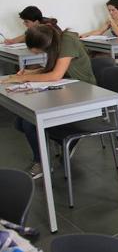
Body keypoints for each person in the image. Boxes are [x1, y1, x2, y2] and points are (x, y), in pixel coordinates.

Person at [2, 24, 96, 178]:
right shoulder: (56, 42)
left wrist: (23, 77)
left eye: (39, 51)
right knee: (20, 122)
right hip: (65, 88)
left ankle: (42, 162)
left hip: (83, 92)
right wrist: (29, 72)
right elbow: (53, 69)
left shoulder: (67, 41)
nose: (42, 53)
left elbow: (55, 75)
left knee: (29, 123)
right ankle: (63, 141)